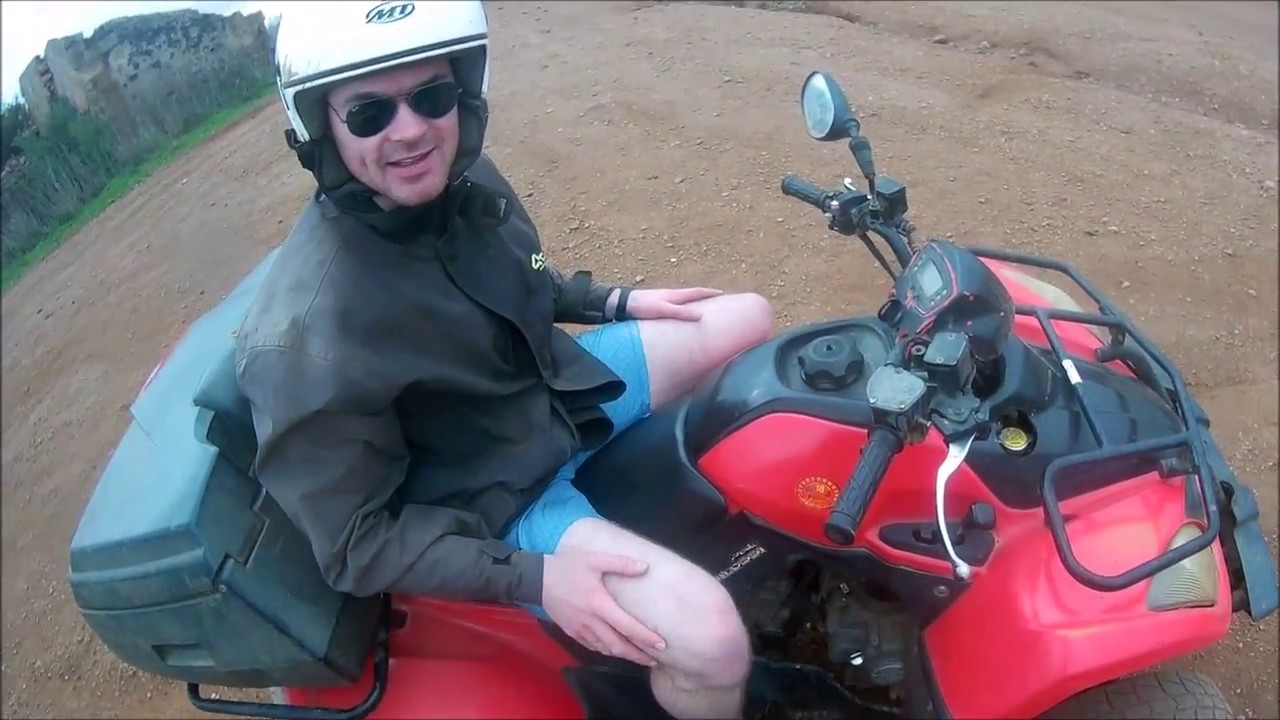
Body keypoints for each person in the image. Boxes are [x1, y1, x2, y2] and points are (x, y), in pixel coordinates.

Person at [234, 2, 775, 718]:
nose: (412, 130)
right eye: (369, 113)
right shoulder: (307, 336)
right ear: (322, 127)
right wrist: (536, 577)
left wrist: (612, 301)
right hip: (497, 497)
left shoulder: (467, 181)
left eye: (432, 96)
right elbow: (357, 544)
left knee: (747, 318)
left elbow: (529, 271)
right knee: (711, 643)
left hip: (559, 393)